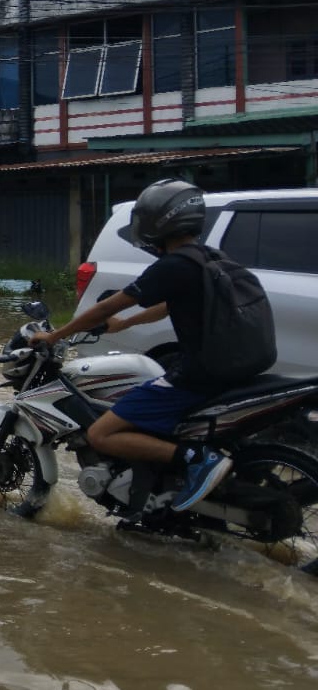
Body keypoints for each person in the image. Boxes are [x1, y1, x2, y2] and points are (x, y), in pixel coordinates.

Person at [30, 179, 244, 513]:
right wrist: (126, 324)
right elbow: (168, 306)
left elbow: (105, 308)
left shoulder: (174, 265)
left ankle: (194, 457)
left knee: (101, 434)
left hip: (198, 375)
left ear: (159, 222)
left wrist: (53, 336)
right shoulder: (210, 258)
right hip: (235, 368)